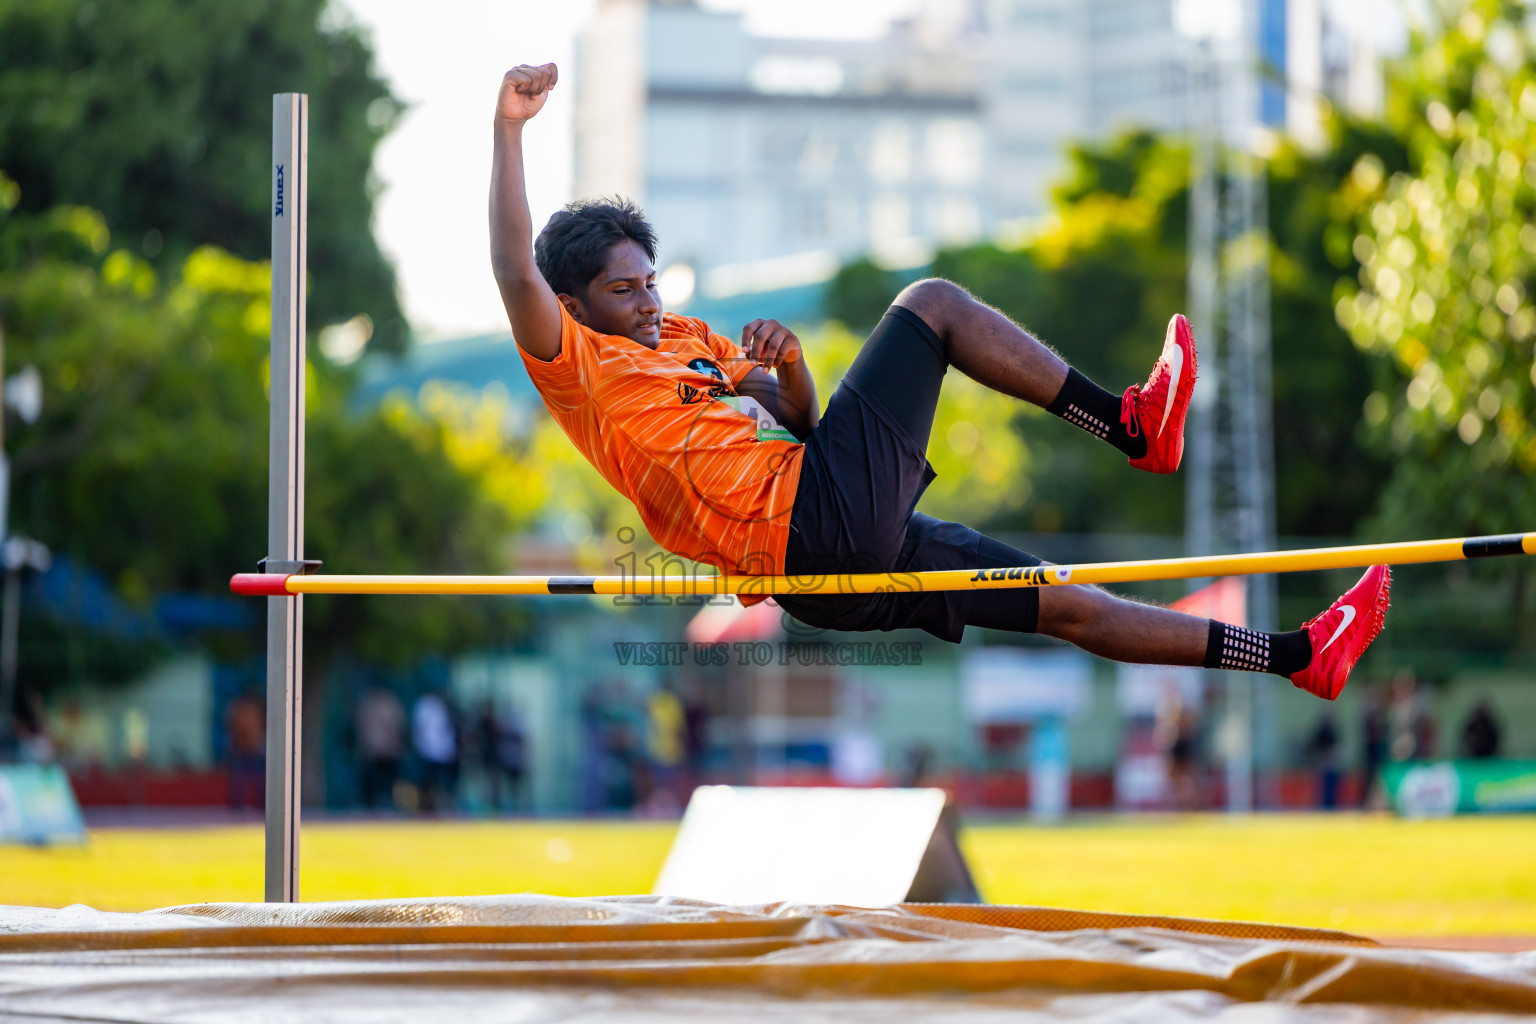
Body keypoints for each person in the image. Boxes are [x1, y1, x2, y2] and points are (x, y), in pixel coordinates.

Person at [489, 63, 1392, 701]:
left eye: (651, 281)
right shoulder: (574, 360)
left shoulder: (687, 335)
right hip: (810, 527)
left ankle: (1294, 655)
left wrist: (792, 369)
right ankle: (1132, 426)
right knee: (934, 305)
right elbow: (514, 271)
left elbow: (799, 421)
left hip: (829, 541)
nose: (647, 304)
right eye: (624, 291)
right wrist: (509, 129)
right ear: (575, 302)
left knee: (1067, 602)